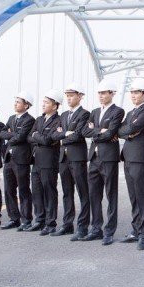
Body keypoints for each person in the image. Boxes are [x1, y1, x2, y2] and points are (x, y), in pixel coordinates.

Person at [82, 80, 125, 246]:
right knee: (94, 194)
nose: (101, 96)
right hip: (94, 157)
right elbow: (84, 131)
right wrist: (101, 131)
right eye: (99, 93)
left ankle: (109, 231)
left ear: (112, 93)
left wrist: (96, 132)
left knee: (110, 195)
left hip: (108, 158)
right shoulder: (94, 112)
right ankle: (96, 229)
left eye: (104, 93)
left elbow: (111, 133)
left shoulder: (118, 111)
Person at [51, 83, 91, 240]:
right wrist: (66, 134)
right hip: (64, 158)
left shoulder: (85, 114)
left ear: (80, 96)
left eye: (72, 95)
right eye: (67, 96)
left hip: (77, 158)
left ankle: (83, 227)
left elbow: (78, 135)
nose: (68, 98)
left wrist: (64, 135)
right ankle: (67, 225)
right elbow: (54, 135)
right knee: (67, 193)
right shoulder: (63, 116)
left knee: (83, 192)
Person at [118, 78, 144, 250]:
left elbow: (131, 128)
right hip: (128, 157)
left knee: (142, 197)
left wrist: (128, 130)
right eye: (132, 92)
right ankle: (136, 230)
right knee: (134, 198)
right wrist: (127, 132)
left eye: (137, 92)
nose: (133, 95)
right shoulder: (131, 112)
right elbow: (120, 130)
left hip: (140, 158)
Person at [26, 90, 62, 235]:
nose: (43, 104)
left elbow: (49, 140)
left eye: (46, 102)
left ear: (55, 106)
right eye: (43, 102)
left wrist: (37, 136)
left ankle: (50, 223)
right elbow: (29, 137)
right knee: (37, 191)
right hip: (36, 161)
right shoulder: (39, 119)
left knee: (49, 192)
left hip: (49, 161)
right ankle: (39, 220)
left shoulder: (58, 120)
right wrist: (38, 137)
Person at [0, 91, 35, 231]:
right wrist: (13, 134)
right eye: (15, 102)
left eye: (18, 102)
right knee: (9, 190)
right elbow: (1, 133)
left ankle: (26, 220)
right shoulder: (11, 118)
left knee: (23, 190)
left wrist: (11, 135)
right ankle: (14, 219)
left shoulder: (29, 120)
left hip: (21, 159)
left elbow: (21, 137)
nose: (15, 104)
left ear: (26, 105)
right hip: (9, 159)